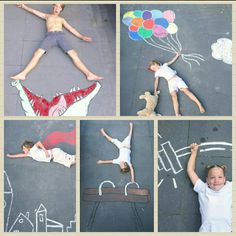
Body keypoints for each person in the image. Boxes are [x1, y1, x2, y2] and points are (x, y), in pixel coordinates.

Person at [11, 3, 103, 81]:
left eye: (59, 7)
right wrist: (23, 6)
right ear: (53, 7)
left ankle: (89, 74)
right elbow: (35, 12)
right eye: (55, 6)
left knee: (74, 54)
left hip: (60, 36)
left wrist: (82, 36)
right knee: (37, 54)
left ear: (61, 10)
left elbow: (71, 29)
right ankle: (23, 74)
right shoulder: (47, 16)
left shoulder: (62, 19)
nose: (57, 8)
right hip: (50, 36)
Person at [187, 143, 232, 232]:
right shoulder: (203, 188)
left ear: (224, 179)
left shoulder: (230, 187)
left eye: (220, 177)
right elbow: (190, 170)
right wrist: (194, 153)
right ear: (207, 180)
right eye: (212, 177)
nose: (216, 181)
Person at [6, 140, 76, 168]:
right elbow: (20, 155)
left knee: (72, 160)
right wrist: (11, 156)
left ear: (28, 147)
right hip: (55, 158)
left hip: (55, 153)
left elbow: (39, 142)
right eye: (23, 149)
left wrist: (45, 151)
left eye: (24, 148)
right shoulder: (30, 154)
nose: (23, 150)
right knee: (70, 163)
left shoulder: (33, 148)